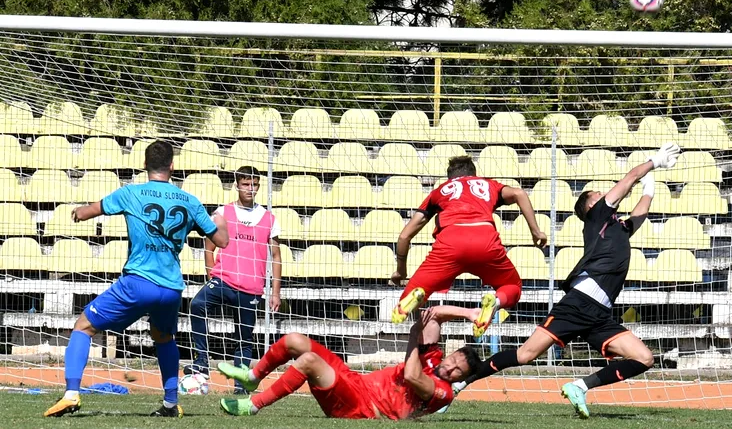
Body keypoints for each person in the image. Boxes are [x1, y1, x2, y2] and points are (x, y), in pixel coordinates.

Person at [451, 142, 681, 419]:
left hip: (599, 313)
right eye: (598, 193)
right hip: (578, 304)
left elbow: (639, 212)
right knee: (525, 356)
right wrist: (652, 162)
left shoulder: (617, 228)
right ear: (592, 205)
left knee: (644, 358)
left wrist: (651, 182)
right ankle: (461, 384)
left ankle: (579, 386)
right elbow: (628, 179)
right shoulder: (597, 216)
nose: (603, 192)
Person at [44, 140, 229, 418]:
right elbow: (221, 241)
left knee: (83, 326)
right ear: (172, 166)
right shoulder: (190, 202)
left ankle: (71, 394)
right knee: (163, 338)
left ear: (144, 165)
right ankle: (169, 404)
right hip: (170, 288)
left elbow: (91, 210)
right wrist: (220, 222)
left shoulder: (131, 193)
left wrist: (79, 212)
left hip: (138, 282)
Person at [217, 305, 483, 420]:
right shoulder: (434, 357)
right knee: (294, 339)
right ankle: (252, 377)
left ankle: (253, 406)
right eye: (454, 359)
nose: (451, 367)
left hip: (363, 408)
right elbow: (432, 317)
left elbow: (413, 376)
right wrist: (471, 314)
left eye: (458, 370)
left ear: (459, 379)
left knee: (308, 360)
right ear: (450, 353)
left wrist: (414, 336)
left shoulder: (443, 392)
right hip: (356, 383)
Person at [390, 155, 547, 337]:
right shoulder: (488, 185)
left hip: (450, 242)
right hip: (485, 240)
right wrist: (536, 231)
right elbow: (519, 193)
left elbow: (404, 236)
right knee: (512, 286)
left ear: (450, 178)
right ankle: (495, 302)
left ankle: (419, 297)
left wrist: (401, 271)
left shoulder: (439, 192)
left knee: (407, 301)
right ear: (474, 174)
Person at [185, 166, 283, 394]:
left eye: (254, 184)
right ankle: (201, 361)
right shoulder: (223, 213)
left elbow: (276, 256)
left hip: (251, 287)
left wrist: (275, 292)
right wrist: (212, 272)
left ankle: (241, 387)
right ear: (237, 185)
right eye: (246, 184)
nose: (250, 189)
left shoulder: (268, 218)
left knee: (244, 338)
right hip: (223, 281)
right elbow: (208, 246)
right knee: (197, 305)